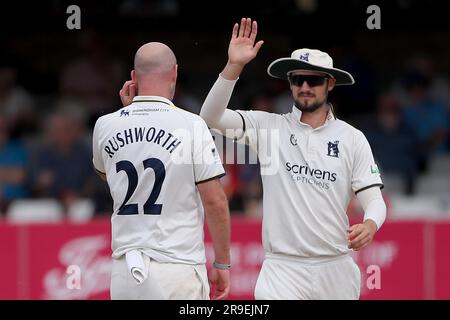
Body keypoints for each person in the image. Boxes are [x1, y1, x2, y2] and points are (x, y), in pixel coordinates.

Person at [199, 18, 387, 300]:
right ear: (289, 84)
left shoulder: (352, 138)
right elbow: (210, 118)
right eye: (298, 79)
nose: (305, 86)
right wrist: (234, 66)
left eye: (314, 80)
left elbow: (374, 200)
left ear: (331, 84)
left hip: (336, 268)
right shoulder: (269, 127)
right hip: (281, 269)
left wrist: (370, 224)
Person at [93, 42, 231, 300]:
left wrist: (127, 112)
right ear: (174, 73)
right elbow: (215, 201)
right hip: (176, 269)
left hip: (125, 273)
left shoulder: (105, 124)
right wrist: (222, 263)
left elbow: (107, 174)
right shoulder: (192, 124)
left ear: (134, 77)